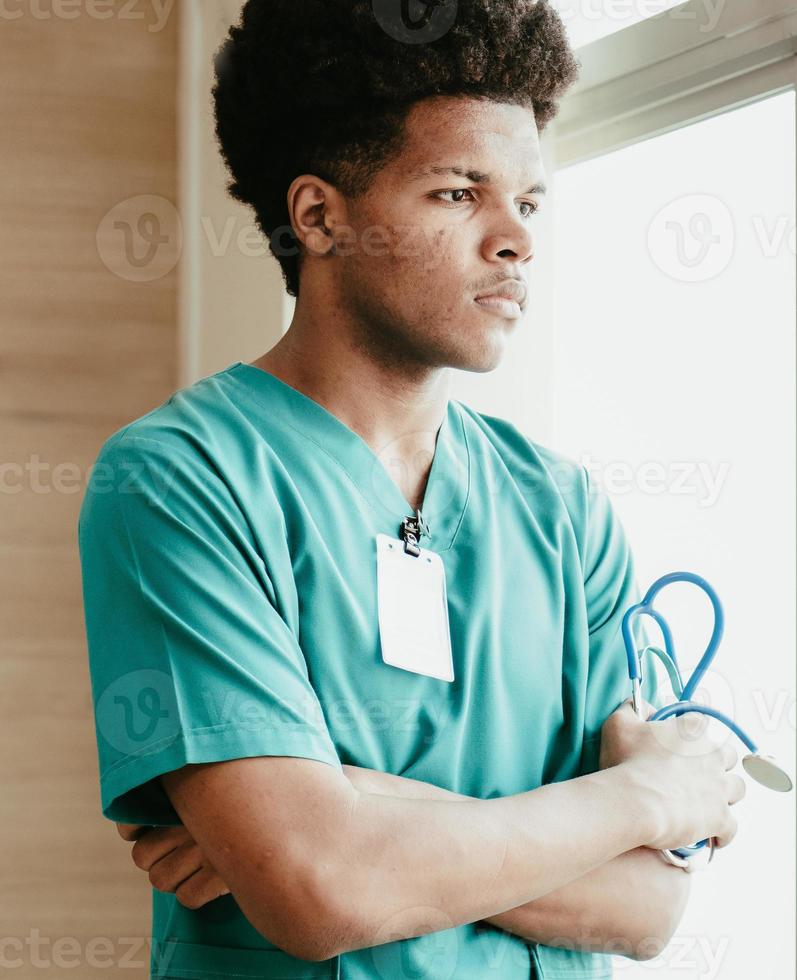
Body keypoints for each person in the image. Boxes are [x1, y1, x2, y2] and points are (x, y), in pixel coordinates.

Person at [77, 2, 745, 978]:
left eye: (528, 200)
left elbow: (645, 905)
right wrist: (649, 797)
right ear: (319, 216)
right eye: (455, 193)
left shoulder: (563, 511)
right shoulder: (180, 479)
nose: (513, 239)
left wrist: (365, 820)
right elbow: (321, 888)